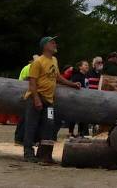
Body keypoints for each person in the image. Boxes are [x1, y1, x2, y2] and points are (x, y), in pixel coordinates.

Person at [22, 36, 81, 164]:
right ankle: (28, 153)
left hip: (49, 99)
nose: (55, 44)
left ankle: (44, 155)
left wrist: (72, 84)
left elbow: (58, 77)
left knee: (49, 125)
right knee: (31, 126)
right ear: (45, 46)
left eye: (55, 42)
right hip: (36, 98)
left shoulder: (54, 60)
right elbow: (32, 84)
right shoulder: (37, 62)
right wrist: (36, 99)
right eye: (52, 42)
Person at [14, 56, 39, 146]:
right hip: (26, 93)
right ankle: (20, 138)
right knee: (26, 118)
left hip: (26, 92)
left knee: (25, 117)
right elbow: (27, 80)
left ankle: (19, 138)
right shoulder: (29, 67)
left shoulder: (30, 67)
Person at [67, 61, 91, 137]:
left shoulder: (86, 76)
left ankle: (80, 132)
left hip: (84, 98)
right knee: (73, 115)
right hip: (76, 98)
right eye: (85, 65)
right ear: (80, 67)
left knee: (82, 115)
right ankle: (70, 133)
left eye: (88, 65)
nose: (87, 66)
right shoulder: (76, 76)